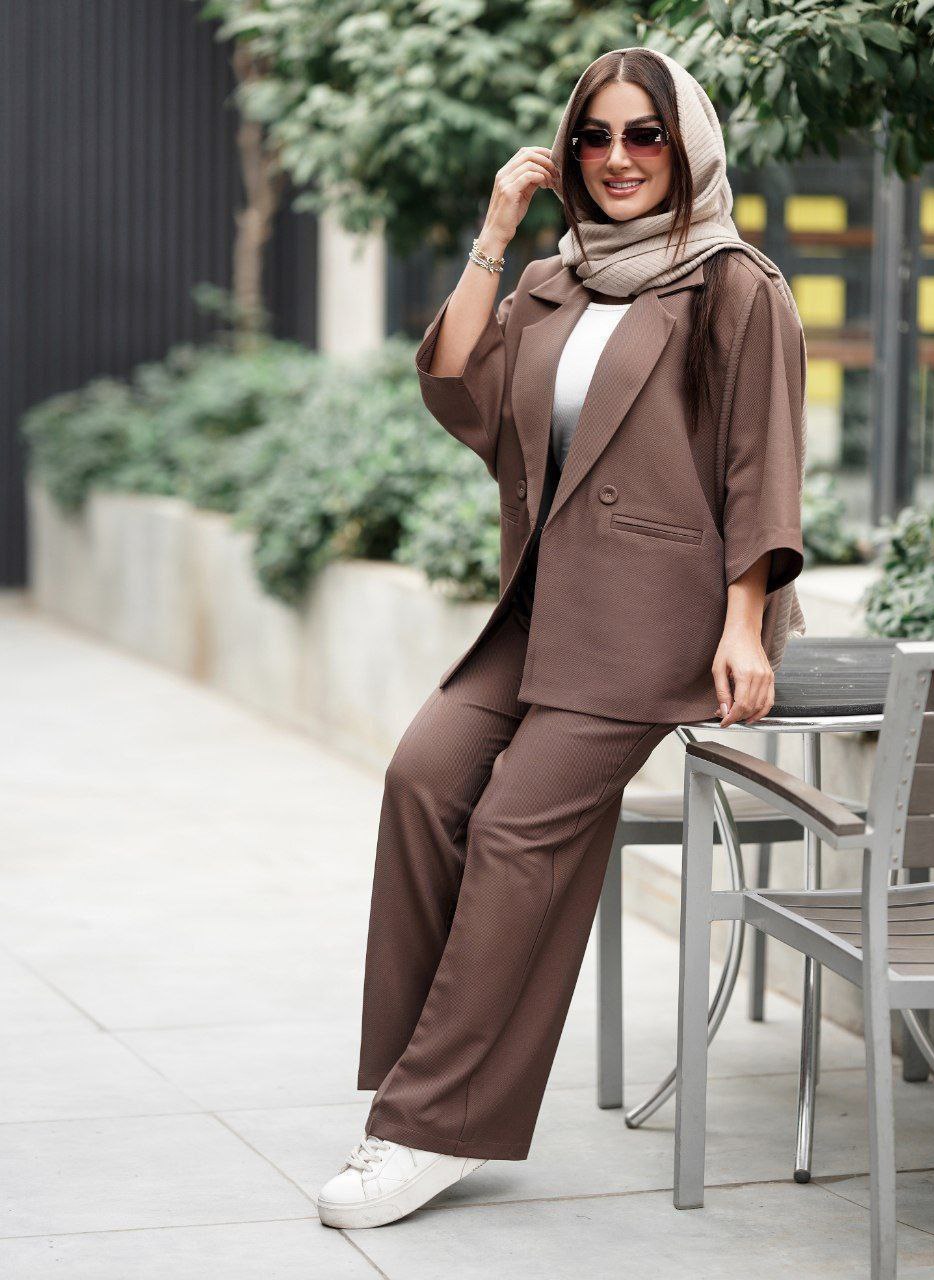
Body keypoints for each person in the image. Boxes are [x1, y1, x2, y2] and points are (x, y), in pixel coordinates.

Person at [317, 44, 808, 1230]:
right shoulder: (555, 279)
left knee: (515, 831)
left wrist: (745, 623)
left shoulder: (733, 283)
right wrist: (496, 230)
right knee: (423, 777)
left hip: (652, 621)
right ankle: (422, 1080)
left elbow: (762, 464)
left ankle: (428, 1127)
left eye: (644, 135)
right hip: (538, 605)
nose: (617, 157)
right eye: (594, 136)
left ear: (685, 145)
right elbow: (460, 389)